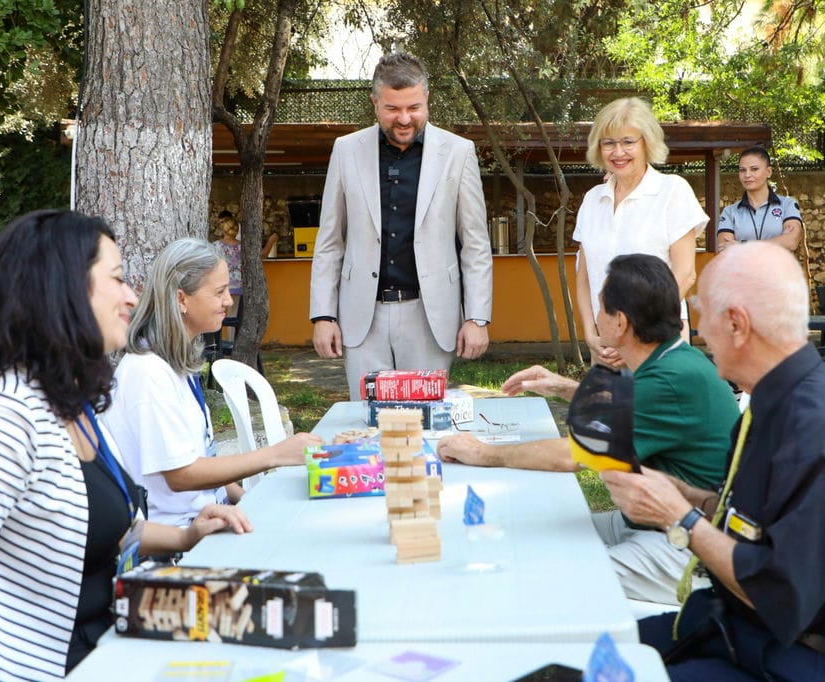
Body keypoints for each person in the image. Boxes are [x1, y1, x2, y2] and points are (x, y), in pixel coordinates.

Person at [0, 210, 251, 680]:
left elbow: (106, 529)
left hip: (110, 648)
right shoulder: (4, 417)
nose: (133, 296)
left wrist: (188, 534)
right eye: (117, 279)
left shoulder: (69, 401)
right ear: (62, 291)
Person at [601, 241, 825, 680]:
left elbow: (780, 591)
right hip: (729, 629)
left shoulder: (820, 430)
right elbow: (756, 525)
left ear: (737, 324)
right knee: (575, 653)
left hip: (782, 661)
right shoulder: (778, 402)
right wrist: (693, 498)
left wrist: (678, 517)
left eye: (702, 314)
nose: (698, 332)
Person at [437, 253, 738, 604]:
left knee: (542, 579)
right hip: (655, 523)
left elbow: (571, 455)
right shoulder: (675, 359)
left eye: (601, 308)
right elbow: (627, 408)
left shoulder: (669, 380)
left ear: (621, 322)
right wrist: (563, 386)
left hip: (689, 546)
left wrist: (483, 453)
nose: (596, 318)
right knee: (527, 535)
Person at [309, 52, 493, 400]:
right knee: (368, 424)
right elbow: (330, 240)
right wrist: (323, 314)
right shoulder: (346, 150)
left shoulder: (458, 152)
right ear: (375, 103)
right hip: (361, 318)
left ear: (426, 99)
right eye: (393, 109)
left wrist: (477, 318)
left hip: (430, 316)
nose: (404, 119)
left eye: (414, 107)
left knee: (425, 423)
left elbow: (475, 244)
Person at [103, 238, 321, 527]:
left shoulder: (174, 362)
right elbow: (182, 474)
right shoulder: (148, 373)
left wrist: (244, 499)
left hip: (208, 521)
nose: (229, 301)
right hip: (178, 542)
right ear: (181, 299)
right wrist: (274, 455)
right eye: (219, 292)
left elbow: (202, 456)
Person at [574, 97, 708, 367]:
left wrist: (636, 336)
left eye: (628, 142)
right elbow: (584, 276)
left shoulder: (673, 191)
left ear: (646, 142)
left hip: (658, 343)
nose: (617, 152)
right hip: (606, 346)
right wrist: (590, 332)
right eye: (608, 143)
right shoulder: (592, 200)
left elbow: (684, 274)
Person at [716, 145, 803, 253]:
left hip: (778, 270)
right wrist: (778, 242)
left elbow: (791, 242)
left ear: (769, 172)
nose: (747, 175)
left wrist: (742, 246)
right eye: (742, 170)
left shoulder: (787, 205)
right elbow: (725, 250)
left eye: (754, 169)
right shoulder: (730, 212)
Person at [212, 210, 243, 296]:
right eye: (221, 222)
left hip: (223, 289)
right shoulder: (243, 246)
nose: (223, 224)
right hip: (239, 288)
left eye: (224, 221)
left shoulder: (215, 246)